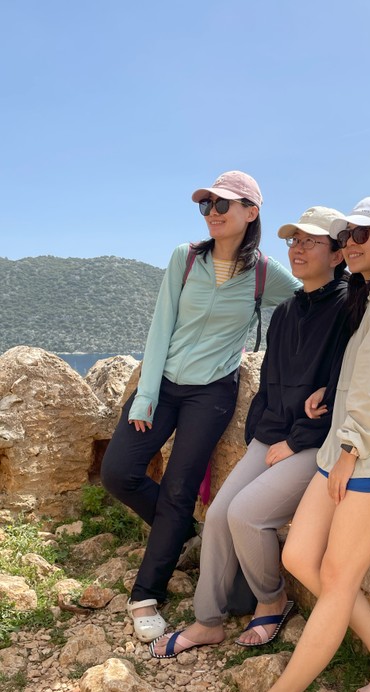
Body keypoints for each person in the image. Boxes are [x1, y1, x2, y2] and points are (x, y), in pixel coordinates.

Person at [211, 196, 370, 692]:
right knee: (298, 556)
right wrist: (334, 396)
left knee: (339, 579)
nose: (352, 243)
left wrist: (350, 450)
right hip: (351, 450)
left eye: (364, 234)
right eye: (347, 235)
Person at [100, 170, 301, 642]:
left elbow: (315, 296)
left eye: (222, 205)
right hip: (164, 385)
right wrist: (145, 395)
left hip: (212, 393)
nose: (212, 213)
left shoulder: (265, 273)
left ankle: (146, 594)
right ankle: (183, 532)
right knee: (118, 472)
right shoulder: (186, 258)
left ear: (251, 212)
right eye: (206, 205)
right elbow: (161, 325)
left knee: (178, 489)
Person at [149, 206, 352, 658]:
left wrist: (294, 441)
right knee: (219, 514)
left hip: (316, 441)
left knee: (246, 515)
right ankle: (207, 621)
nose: (298, 250)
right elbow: (270, 382)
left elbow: (344, 387)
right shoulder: (286, 312)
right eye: (294, 241)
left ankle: (272, 600)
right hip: (273, 434)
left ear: (338, 255)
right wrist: (263, 433)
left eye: (311, 242)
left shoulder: (348, 309)